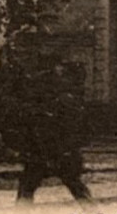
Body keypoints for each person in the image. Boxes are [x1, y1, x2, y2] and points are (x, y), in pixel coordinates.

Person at [9, 62, 95, 203]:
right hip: (56, 154)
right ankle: (94, 213)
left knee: (28, 187)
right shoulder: (68, 101)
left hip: (51, 154)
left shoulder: (57, 103)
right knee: (76, 187)